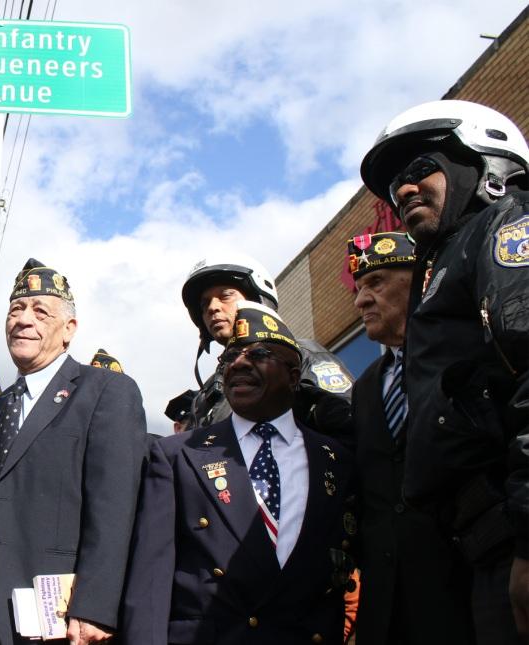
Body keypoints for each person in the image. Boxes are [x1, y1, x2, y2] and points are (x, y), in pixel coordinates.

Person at [359, 99, 529, 641]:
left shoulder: (506, 227)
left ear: (487, 165)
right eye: (394, 185)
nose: (404, 190)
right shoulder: (451, 259)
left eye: (419, 170)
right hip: (478, 546)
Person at [121, 302, 354, 644]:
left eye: (258, 354)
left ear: (293, 375)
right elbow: (149, 580)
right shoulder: (177, 455)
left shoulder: (336, 460)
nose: (239, 364)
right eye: (228, 359)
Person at [0, 259, 147, 645]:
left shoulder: (104, 391)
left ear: (69, 329)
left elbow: (114, 507)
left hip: (63, 615)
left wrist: (95, 606)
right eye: (16, 309)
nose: (23, 320)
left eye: (40, 311)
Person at [343, 231, 471, 644]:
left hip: (465, 587)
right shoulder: (363, 388)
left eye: (376, 283)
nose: (361, 301)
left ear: (423, 279)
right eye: (359, 289)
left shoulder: (465, 355)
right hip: (387, 604)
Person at [180, 253, 354, 433]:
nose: (212, 308)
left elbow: (349, 424)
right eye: (204, 304)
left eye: (225, 296)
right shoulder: (206, 394)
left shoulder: (302, 355)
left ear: (258, 301)